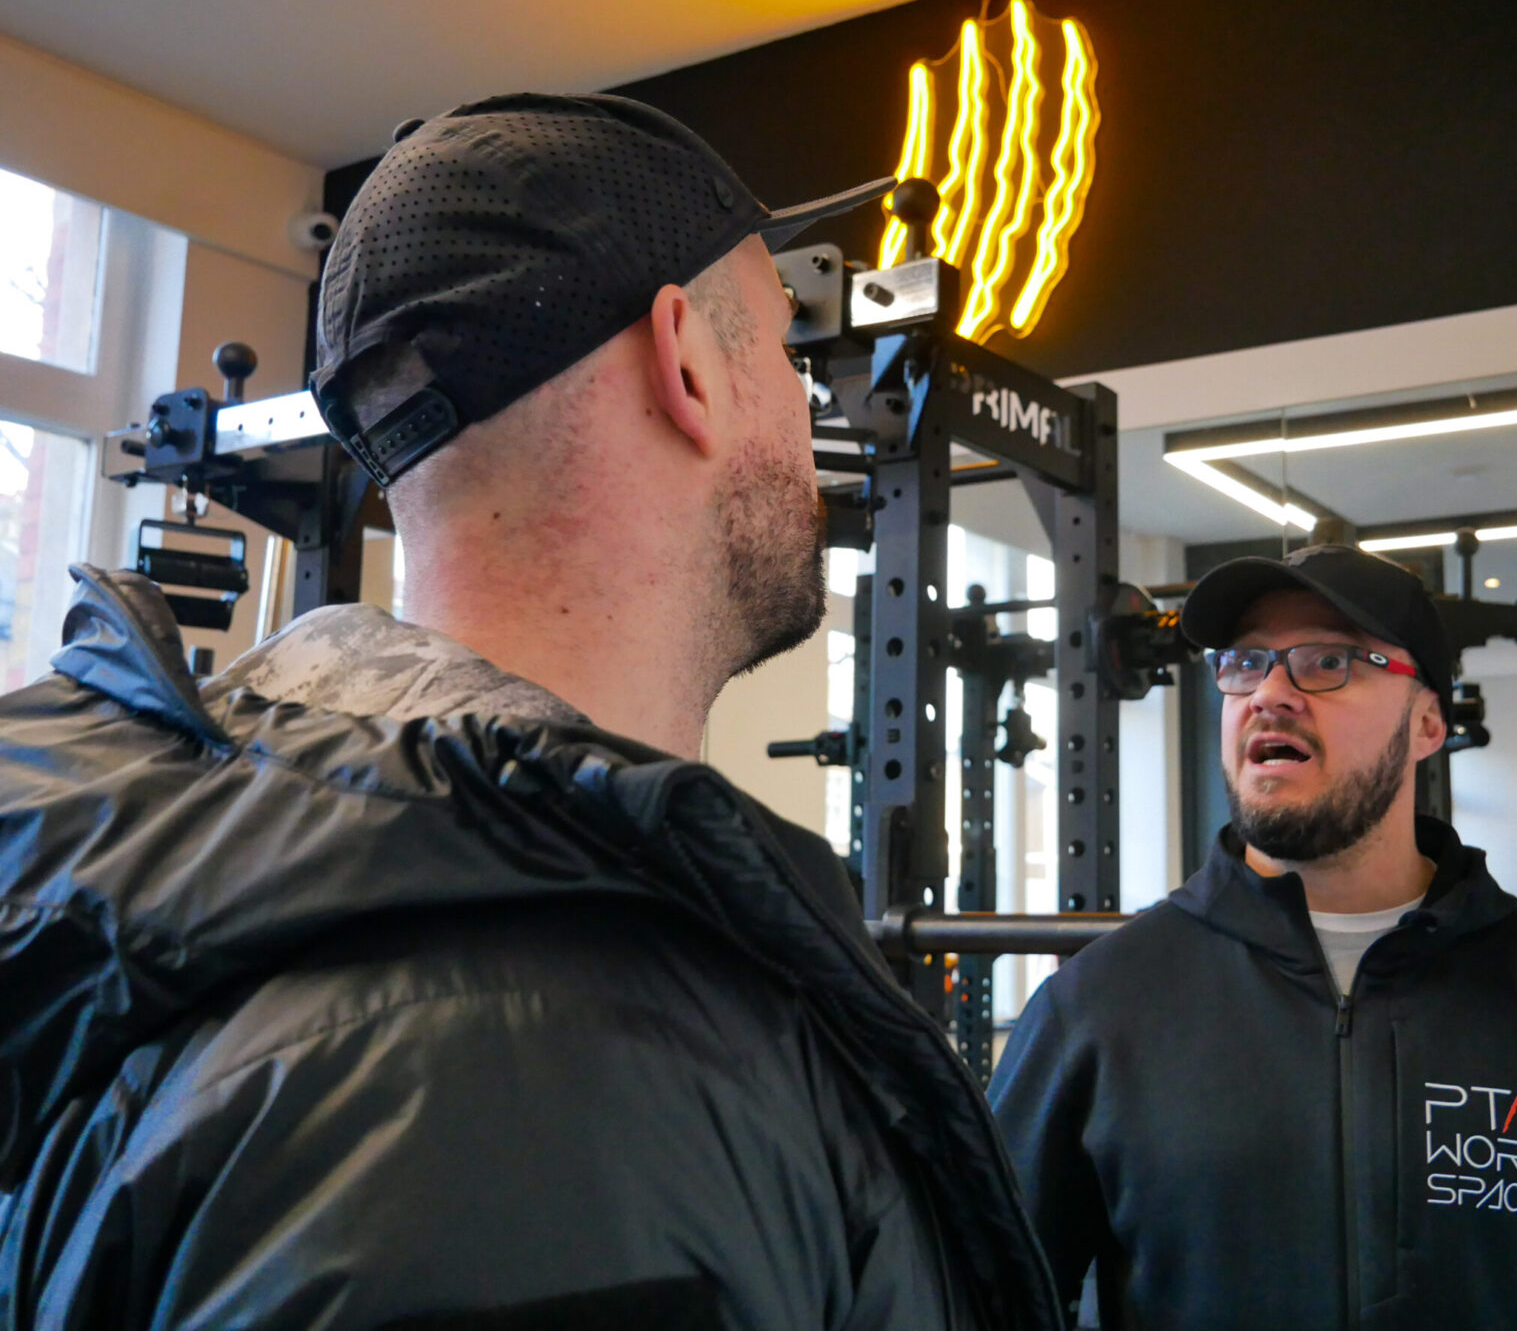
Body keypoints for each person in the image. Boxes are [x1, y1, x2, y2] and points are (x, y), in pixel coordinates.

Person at [0, 94, 1057, 1330]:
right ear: (689, 362)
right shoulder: (553, 1078)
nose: (805, 407)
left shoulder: (188, 858)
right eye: (778, 350)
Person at [989, 545, 1517, 1330]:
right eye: (1244, 663)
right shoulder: (1097, 1011)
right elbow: (976, 1298)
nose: (1269, 694)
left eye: (1326, 661)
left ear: (1429, 720)